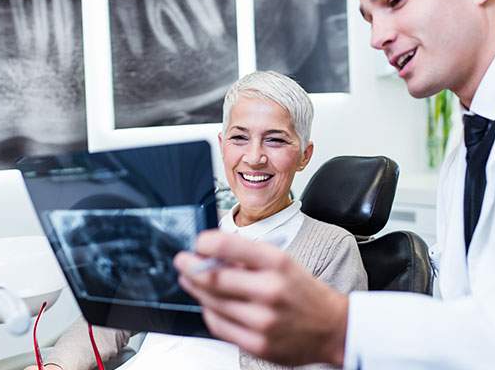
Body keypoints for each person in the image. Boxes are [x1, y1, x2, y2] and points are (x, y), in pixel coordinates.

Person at [174, 0, 495, 368]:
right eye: (368, 16)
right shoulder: (466, 152)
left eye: (396, 1)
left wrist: (346, 330)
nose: (377, 36)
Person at [27, 71, 367, 370]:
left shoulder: (331, 247)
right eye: (239, 137)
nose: (254, 157)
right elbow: (108, 322)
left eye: (275, 140)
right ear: (222, 146)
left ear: (304, 155)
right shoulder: (186, 228)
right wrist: (58, 365)